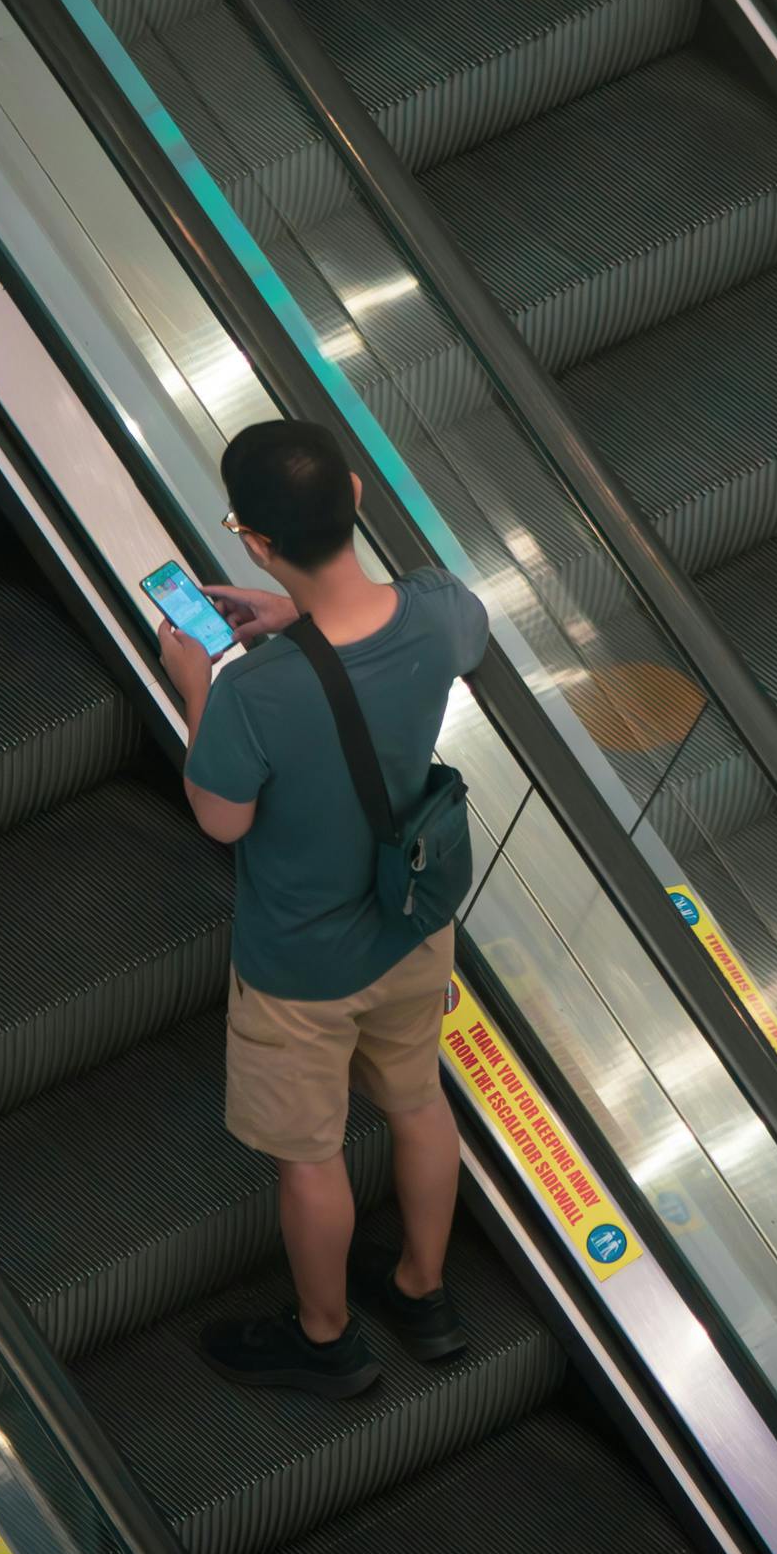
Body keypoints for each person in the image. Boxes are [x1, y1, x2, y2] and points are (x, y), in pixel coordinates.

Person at [156, 420, 488, 1399]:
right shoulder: (437, 607)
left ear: (257, 542)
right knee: (418, 1099)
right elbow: (421, 641)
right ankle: (425, 1290)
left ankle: (326, 1333)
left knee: (311, 1157)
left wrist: (195, 688)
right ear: (354, 491)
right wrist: (297, 615)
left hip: (301, 964)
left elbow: (222, 816)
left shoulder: (255, 693)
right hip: (413, 917)